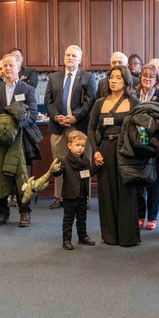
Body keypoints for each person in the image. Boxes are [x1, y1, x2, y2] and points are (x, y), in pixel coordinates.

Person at [88, 65, 140, 247]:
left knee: (127, 191)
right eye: (111, 77)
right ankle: (110, 235)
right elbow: (91, 128)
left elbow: (141, 128)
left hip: (126, 150)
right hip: (105, 149)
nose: (114, 80)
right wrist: (95, 150)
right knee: (106, 191)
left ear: (126, 81)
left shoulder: (134, 102)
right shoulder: (99, 103)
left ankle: (127, 236)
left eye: (118, 77)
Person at [0, 54, 38, 227]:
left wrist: (16, 125)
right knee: (1, 175)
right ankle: (3, 213)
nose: (8, 69)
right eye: (5, 66)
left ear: (18, 68)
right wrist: (3, 128)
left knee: (21, 176)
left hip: (21, 140)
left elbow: (33, 114)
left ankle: (25, 212)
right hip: (0, 140)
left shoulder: (28, 89)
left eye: (11, 66)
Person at [45, 44, 96, 210]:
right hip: (58, 126)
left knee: (82, 161)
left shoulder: (88, 77)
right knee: (59, 162)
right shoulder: (54, 77)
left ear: (80, 59)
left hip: (79, 126)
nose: (70, 58)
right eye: (68, 55)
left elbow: (90, 101)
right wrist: (56, 117)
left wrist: (75, 117)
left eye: (74, 56)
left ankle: (84, 196)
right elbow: (48, 101)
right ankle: (59, 196)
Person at [135, 61, 159, 230]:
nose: (147, 79)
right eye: (145, 75)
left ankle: (153, 216)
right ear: (140, 77)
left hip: (155, 145)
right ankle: (140, 215)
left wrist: (144, 123)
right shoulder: (133, 94)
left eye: (151, 76)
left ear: (157, 79)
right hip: (137, 144)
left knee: (154, 183)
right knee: (140, 182)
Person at [51, 130, 97, 250]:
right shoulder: (64, 160)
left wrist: (98, 166)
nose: (80, 148)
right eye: (77, 145)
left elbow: (88, 174)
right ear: (69, 145)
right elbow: (59, 173)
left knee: (82, 218)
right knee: (68, 219)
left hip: (82, 195)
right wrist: (55, 170)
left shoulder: (85, 160)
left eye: (82, 145)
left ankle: (83, 237)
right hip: (69, 196)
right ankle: (66, 240)